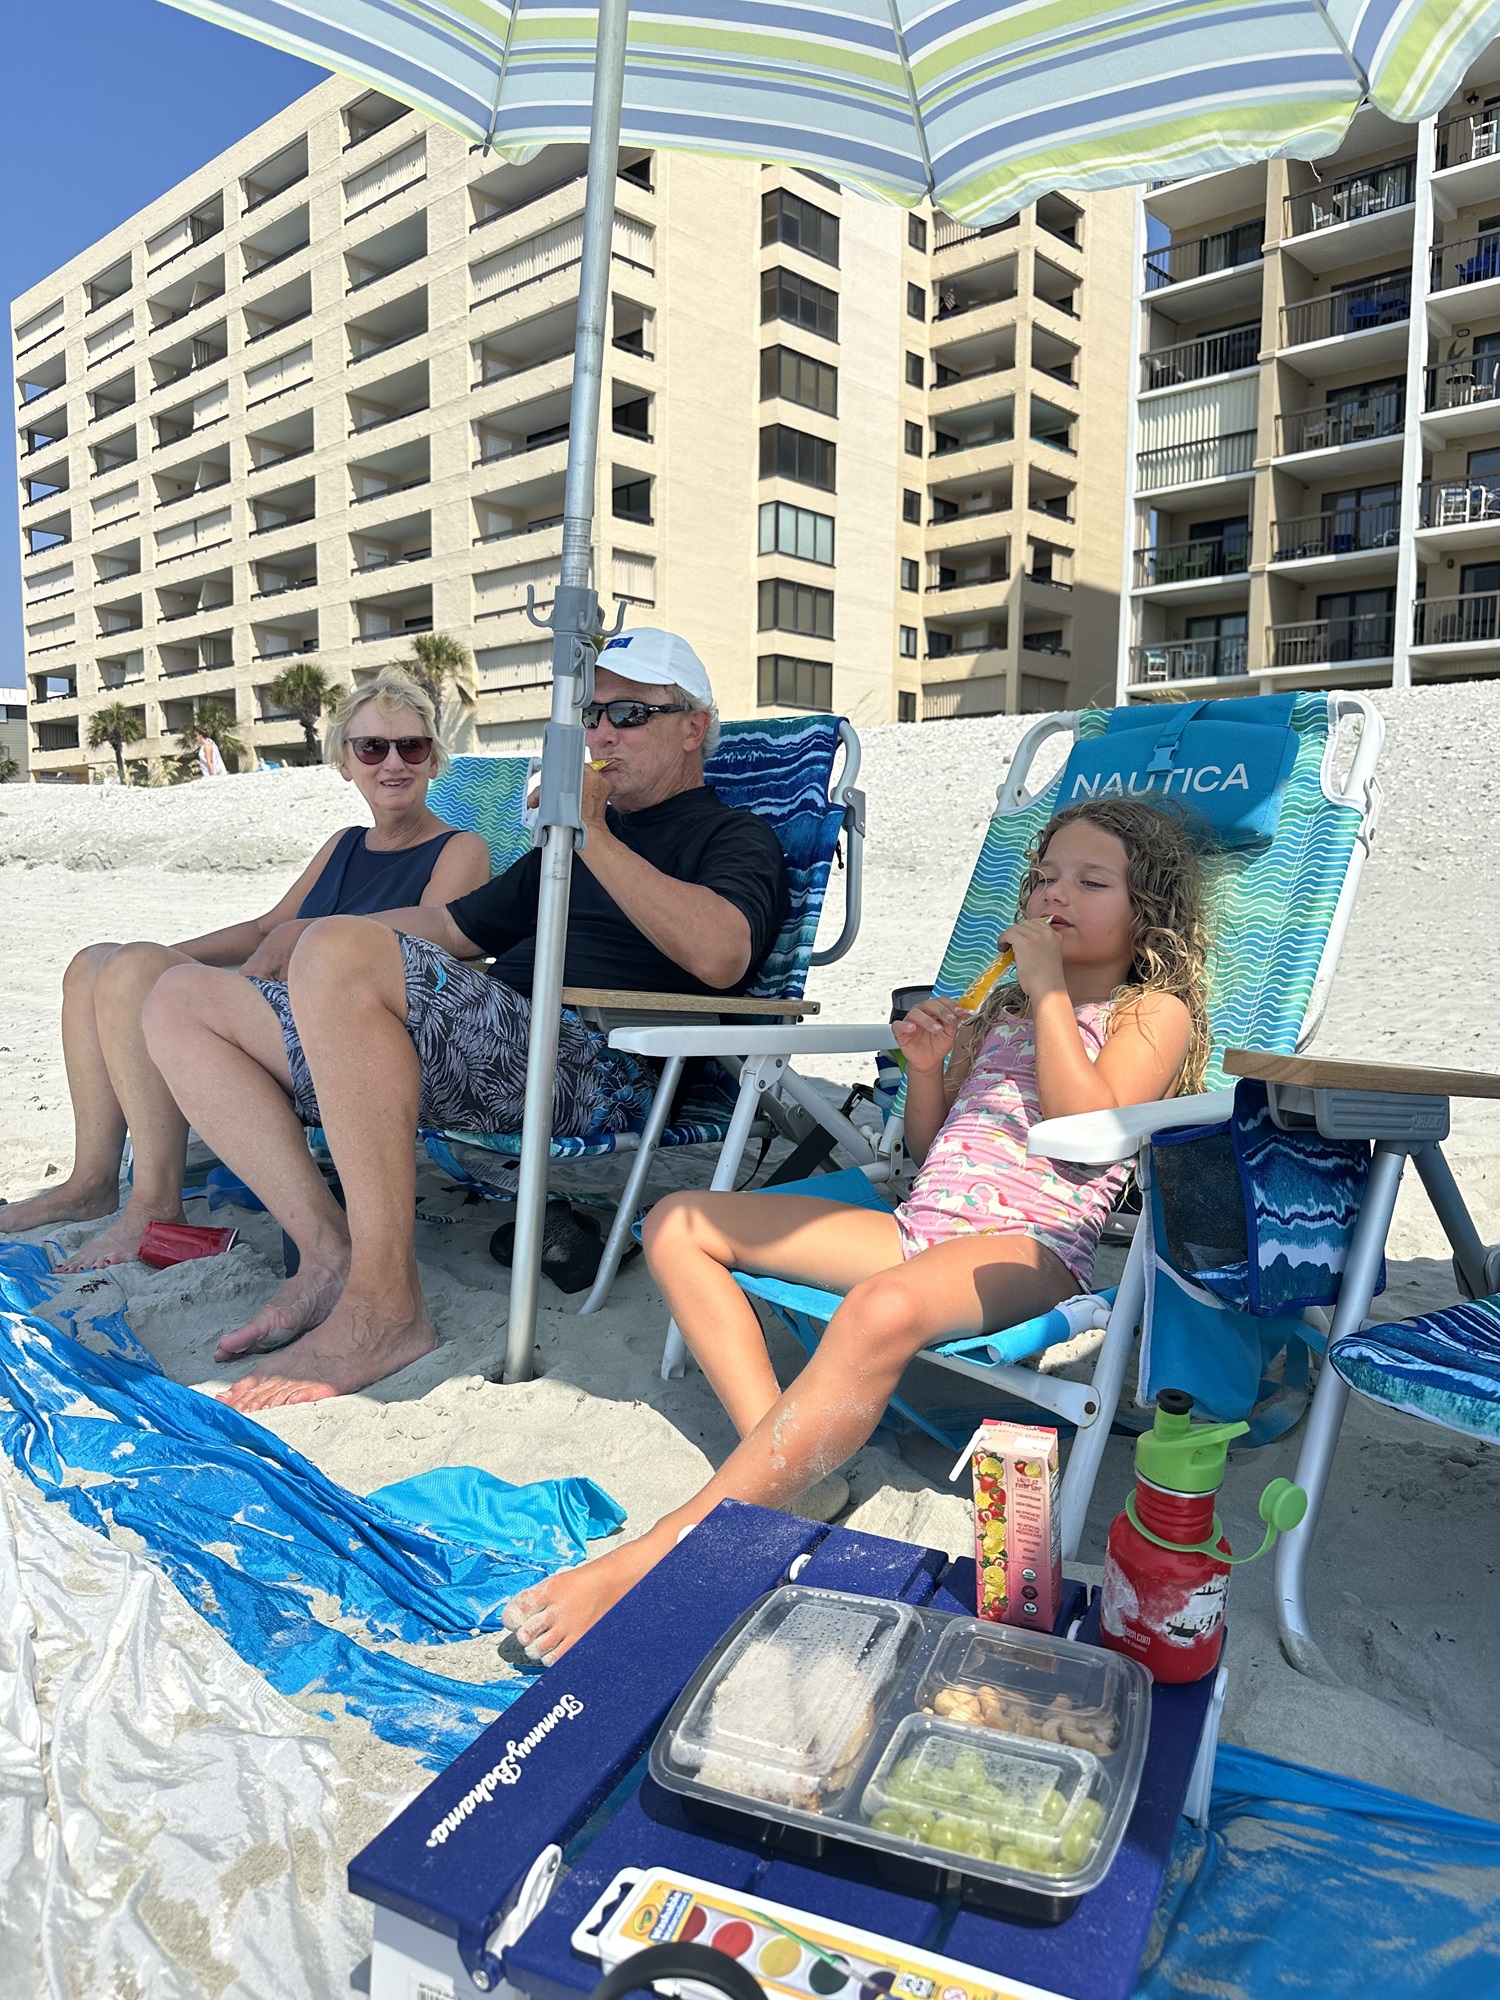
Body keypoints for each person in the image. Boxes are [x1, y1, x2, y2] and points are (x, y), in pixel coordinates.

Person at [500, 798, 1214, 1663]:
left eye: (1092, 882)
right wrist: (925, 1070)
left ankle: (678, 1540)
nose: (1056, 894)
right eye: (1045, 876)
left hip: (1030, 1250)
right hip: (924, 1231)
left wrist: (1052, 991)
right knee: (677, 1221)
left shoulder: (1152, 1012)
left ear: (1149, 918)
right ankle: (795, 1476)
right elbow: (930, 1147)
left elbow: (1084, 1126)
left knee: (878, 1310)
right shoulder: (1009, 1015)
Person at [143, 629, 791, 1409]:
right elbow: (453, 928)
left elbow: (722, 956)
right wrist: (301, 937)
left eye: (629, 713)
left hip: (598, 1068)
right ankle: (328, 1254)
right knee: (180, 1000)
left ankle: (388, 1307)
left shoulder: (731, 835)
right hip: (489, 1045)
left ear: (694, 727)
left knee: (343, 945)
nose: (602, 733)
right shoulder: (563, 847)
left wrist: (598, 841)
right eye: (591, 714)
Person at [0, 671, 489, 1271]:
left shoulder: (460, 848)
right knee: (94, 966)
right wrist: (152, 954)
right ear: (345, 763)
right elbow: (264, 929)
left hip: (354, 1036)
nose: (393, 763)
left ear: (434, 760)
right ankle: (91, 1183)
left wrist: (153, 967)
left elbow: (445, 943)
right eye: (372, 747)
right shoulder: (344, 845)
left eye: (410, 746)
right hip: (276, 1009)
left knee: (130, 969)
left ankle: (155, 1204)